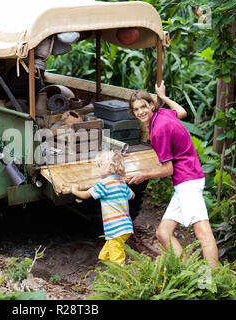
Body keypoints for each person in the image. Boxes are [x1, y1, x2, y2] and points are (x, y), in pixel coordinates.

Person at [128, 80, 219, 269]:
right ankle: (188, 272)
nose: (140, 112)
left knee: (203, 233)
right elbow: (182, 112)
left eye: (143, 106)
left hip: (188, 180)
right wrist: (163, 97)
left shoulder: (158, 130)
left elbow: (167, 169)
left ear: (151, 105)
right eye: (136, 109)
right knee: (163, 233)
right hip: (187, 179)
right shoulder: (163, 113)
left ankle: (214, 281)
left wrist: (143, 175)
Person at [72, 150, 135, 265]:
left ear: (109, 167)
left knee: (117, 259)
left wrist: (74, 190)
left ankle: (122, 280)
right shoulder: (121, 182)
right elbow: (133, 196)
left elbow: (85, 195)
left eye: (100, 165)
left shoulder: (104, 184)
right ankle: (106, 275)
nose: (98, 168)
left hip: (116, 228)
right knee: (104, 255)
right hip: (125, 226)